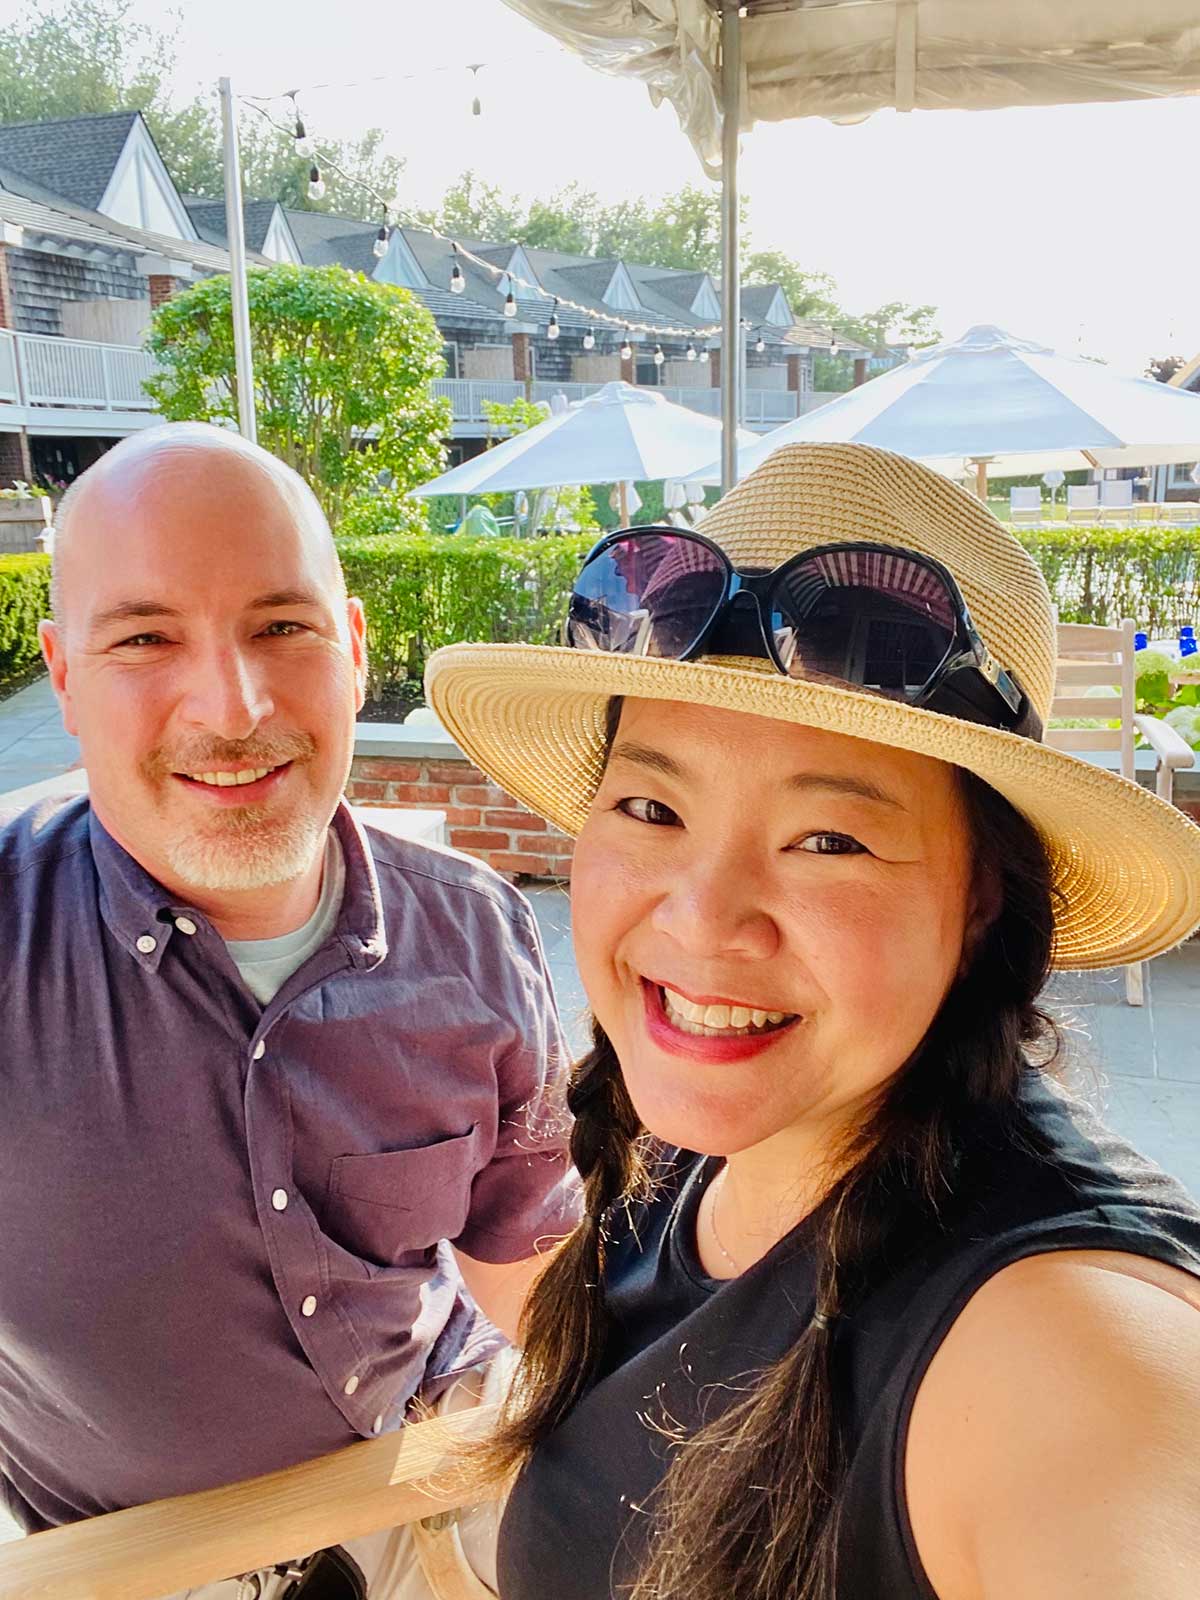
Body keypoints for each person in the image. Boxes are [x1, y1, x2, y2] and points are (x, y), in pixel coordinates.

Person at [426, 442, 1200, 1600]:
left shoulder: (1066, 1346)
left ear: (980, 896)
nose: (703, 920)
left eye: (829, 840)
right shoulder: (700, 1162)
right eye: (650, 806)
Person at [0, 424, 575, 1597]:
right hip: (140, 1563)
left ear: (354, 647)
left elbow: (529, 1258)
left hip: (432, 1483)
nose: (233, 702)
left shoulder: (477, 932)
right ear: (63, 673)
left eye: (281, 627)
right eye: (146, 637)